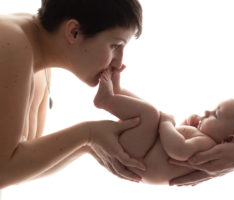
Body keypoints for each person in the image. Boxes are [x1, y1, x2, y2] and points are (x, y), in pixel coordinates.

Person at [0, 0, 147, 189]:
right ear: (73, 32)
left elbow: (18, 167)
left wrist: (89, 146)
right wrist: (88, 134)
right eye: (115, 46)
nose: (119, 64)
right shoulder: (10, 43)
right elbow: (3, 170)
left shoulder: (38, 57)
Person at [94, 68, 234, 184]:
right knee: (151, 113)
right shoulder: (204, 140)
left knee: (151, 114)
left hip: (139, 159)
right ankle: (117, 91)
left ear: (228, 139)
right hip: (142, 154)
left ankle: (106, 100)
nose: (207, 111)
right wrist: (186, 125)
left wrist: (166, 122)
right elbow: (176, 138)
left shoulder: (208, 146)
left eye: (215, 114)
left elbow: (178, 150)